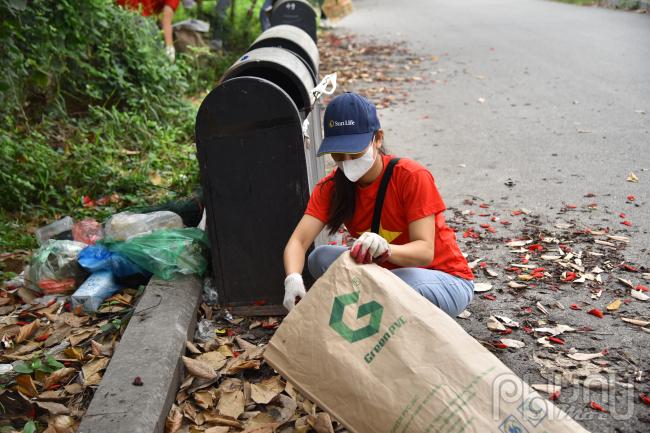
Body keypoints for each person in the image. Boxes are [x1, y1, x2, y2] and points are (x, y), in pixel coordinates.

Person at [282, 92, 474, 316]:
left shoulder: (411, 176)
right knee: (320, 258)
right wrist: (293, 278)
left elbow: (425, 252)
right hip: (384, 275)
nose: (347, 161)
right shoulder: (332, 187)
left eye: (355, 151)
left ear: (378, 138)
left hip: (440, 278)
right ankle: (376, 303)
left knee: (397, 285)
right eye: (338, 154)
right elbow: (299, 240)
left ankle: (373, 307)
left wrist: (386, 248)